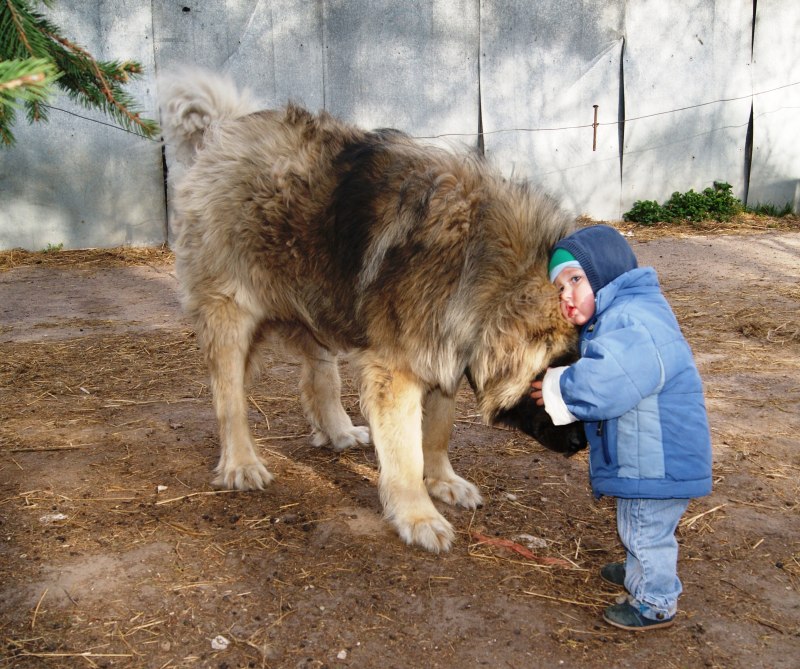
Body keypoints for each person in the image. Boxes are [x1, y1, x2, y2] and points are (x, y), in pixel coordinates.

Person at [531, 224, 712, 631]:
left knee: (645, 527)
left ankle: (654, 600)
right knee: (642, 523)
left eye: (575, 280)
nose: (566, 296)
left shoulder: (631, 320)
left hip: (657, 462)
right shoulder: (630, 314)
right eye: (559, 289)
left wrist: (559, 385)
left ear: (604, 274)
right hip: (652, 456)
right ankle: (641, 567)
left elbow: (606, 384)